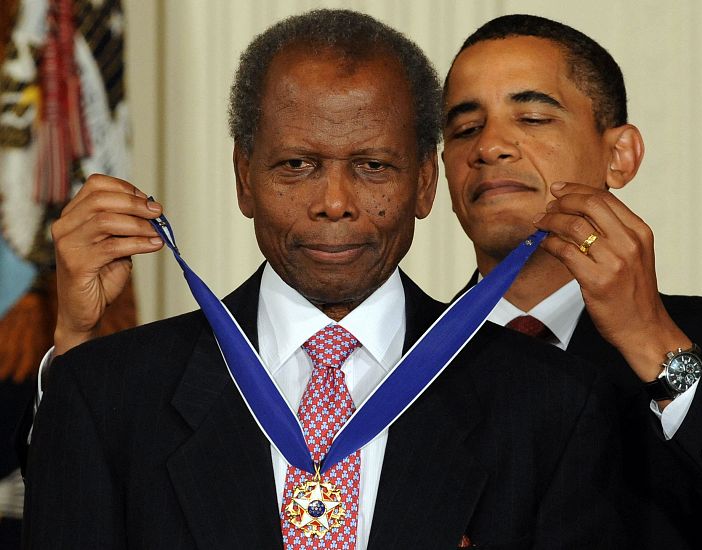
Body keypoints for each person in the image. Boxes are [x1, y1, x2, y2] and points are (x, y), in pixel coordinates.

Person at [22, 10, 626, 549]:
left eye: (372, 166)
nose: (334, 202)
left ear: (423, 183)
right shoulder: (108, 393)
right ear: (244, 178)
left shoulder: (549, 402)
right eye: (297, 165)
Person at [442, 14, 702, 549]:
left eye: (533, 117)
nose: (490, 146)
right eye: (465, 128)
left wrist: (649, 336)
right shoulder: (400, 363)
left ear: (620, 155)